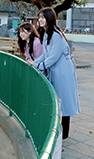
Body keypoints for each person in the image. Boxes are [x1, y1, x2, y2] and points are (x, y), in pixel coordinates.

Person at [28, 7, 80, 139]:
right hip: (56, 70)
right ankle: (59, 130)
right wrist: (35, 63)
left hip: (63, 71)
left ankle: (63, 134)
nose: (40, 20)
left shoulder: (56, 35)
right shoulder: (47, 34)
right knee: (59, 99)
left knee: (64, 100)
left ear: (49, 19)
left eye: (43, 17)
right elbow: (46, 54)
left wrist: (38, 66)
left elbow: (52, 57)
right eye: (39, 17)